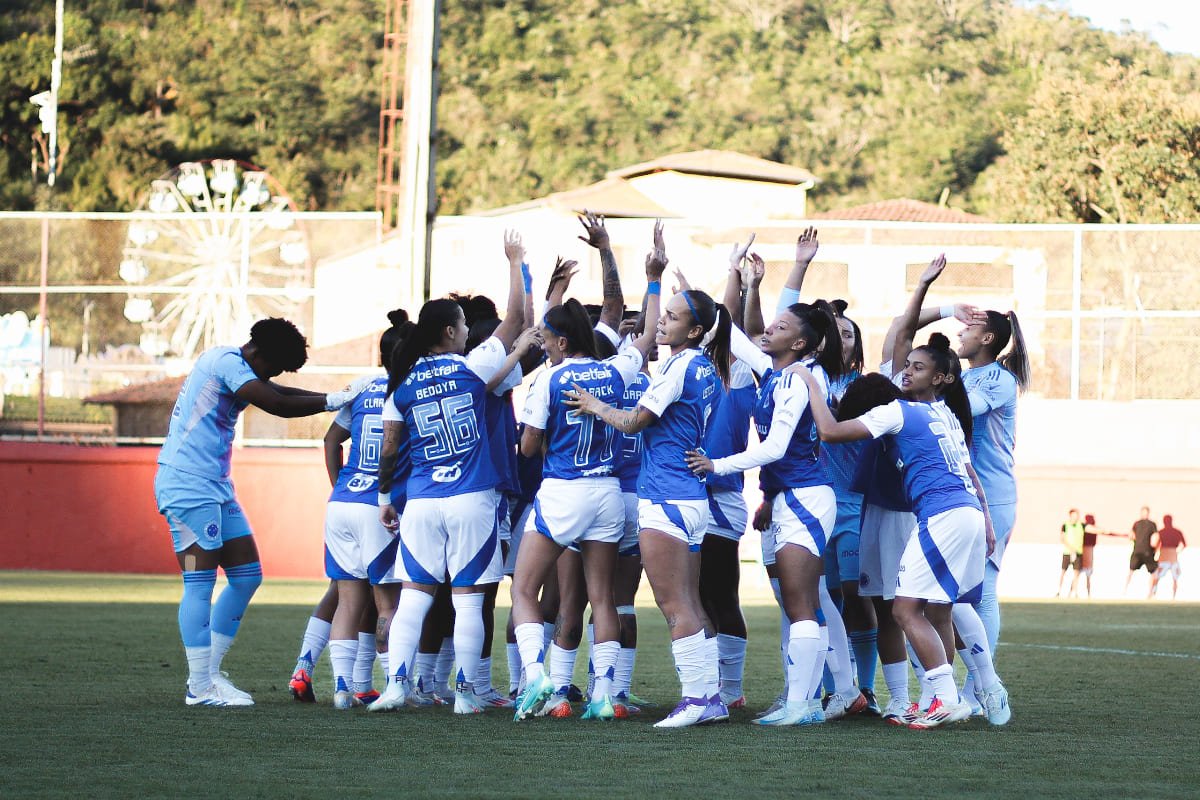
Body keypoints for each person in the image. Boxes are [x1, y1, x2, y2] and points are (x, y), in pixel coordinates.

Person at [155, 317, 363, 707]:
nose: (274, 375)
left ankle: (210, 675)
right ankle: (199, 687)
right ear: (260, 354)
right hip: (187, 485)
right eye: (275, 367)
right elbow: (277, 403)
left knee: (247, 575)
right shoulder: (225, 362)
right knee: (199, 583)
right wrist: (330, 401)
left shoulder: (239, 367)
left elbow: (276, 390)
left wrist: (331, 397)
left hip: (213, 485)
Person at [368, 231, 535, 715]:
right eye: (462, 325)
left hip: (420, 500)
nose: (467, 332)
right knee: (466, 601)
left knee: (414, 598)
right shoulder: (471, 367)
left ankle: (396, 687)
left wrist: (384, 499)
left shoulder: (400, 384)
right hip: (472, 497)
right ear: (449, 332)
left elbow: (389, 449)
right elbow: (517, 319)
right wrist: (515, 262)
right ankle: (464, 694)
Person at [565, 276, 734, 728]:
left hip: (666, 497)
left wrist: (593, 405)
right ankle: (711, 696)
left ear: (695, 331)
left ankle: (696, 699)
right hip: (692, 498)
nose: (662, 322)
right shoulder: (707, 368)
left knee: (674, 606)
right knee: (692, 603)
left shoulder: (678, 369)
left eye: (673, 317)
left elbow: (634, 422)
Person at [686, 286, 850, 727]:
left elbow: (777, 447)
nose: (768, 329)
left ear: (798, 343)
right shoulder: (777, 371)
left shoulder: (797, 378)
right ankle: (809, 700)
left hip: (806, 497)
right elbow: (731, 332)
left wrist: (716, 464)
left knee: (801, 604)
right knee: (802, 602)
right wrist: (710, 288)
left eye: (780, 327)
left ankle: (804, 703)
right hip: (786, 498)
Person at [511, 285, 659, 721]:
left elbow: (528, 444)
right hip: (608, 493)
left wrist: (542, 441)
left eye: (546, 338)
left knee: (523, 589)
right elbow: (647, 336)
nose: (544, 345)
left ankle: (536, 676)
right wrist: (651, 279)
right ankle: (604, 695)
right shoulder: (616, 373)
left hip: (564, 491)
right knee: (605, 599)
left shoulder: (549, 379)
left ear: (561, 341)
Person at [320, 310, 415, 708]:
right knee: (387, 604)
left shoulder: (361, 388)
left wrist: (339, 486)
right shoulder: (412, 390)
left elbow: (330, 440)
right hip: (380, 505)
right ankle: (396, 687)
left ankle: (343, 689)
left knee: (347, 600)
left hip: (342, 502)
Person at [956, 303, 1030, 670]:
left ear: (986, 339)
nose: (960, 333)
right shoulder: (963, 376)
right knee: (952, 595)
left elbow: (962, 411)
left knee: (981, 590)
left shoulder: (999, 380)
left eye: (968, 329)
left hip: (993, 497)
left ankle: (977, 689)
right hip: (960, 497)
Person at [1150, 515, 1187, 599]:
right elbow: (1184, 545)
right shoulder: (1177, 532)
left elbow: (1156, 545)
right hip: (1172, 556)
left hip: (1164, 555)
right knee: (1174, 578)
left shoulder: (1161, 532)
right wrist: (1177, 552)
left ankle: (1154, 593)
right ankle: (1173, 596)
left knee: (1157, 577)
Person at [1124, 506, 1158, 595]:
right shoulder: (1152, 524)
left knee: (1131, 571)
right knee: (1153, 572)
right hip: (1146, 551)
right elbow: (1155, 539)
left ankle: (1124, 590)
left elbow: (1131, 536)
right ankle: (1150, 592)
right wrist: (1155, 550)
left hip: (1138, 551)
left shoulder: (1137, 523)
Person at [1057, 509, 1085, 599]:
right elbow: (1062, 539)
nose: (1075, 517)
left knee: (1076, 573)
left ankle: (1075, 592)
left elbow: (1092, 529)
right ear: (1070, 516)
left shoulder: (1081, 525)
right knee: (1063, 572)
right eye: (1073, 515)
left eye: (1077, 515)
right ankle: (1058, 591)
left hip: (1078, 553)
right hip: (1067, 553)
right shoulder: (1065, 525)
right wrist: (1071, 549)